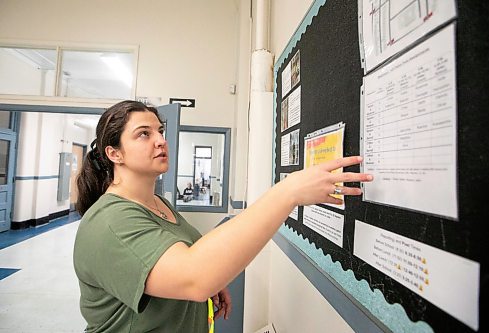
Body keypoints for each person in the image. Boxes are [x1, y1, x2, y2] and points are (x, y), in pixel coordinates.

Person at [73, 100, 373, 333]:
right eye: (143, 134)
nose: (160, 141)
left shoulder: (156, 203)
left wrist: (211, 281)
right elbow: (194, 277)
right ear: (115, 154)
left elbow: (181, 260)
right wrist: (288, 192)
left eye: (160, 132)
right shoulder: (111, 221)